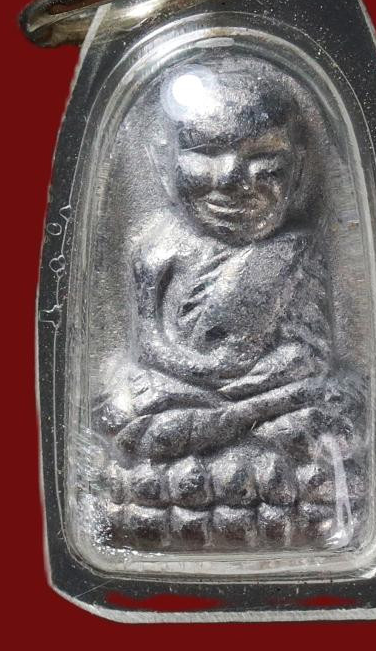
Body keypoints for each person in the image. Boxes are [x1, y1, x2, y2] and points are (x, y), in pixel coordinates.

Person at [93, 55, 362, 550]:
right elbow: (147, 345)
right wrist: (205, 380)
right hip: (176, 396)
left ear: (301, 164)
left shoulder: (295, 250)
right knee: (117, 407)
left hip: (269, 404)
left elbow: (309, 358)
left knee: (334, 409)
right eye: (206, 151)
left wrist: (236, 406)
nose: (234, 178)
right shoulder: (155, 249)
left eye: (263, 155)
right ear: (163, 160)